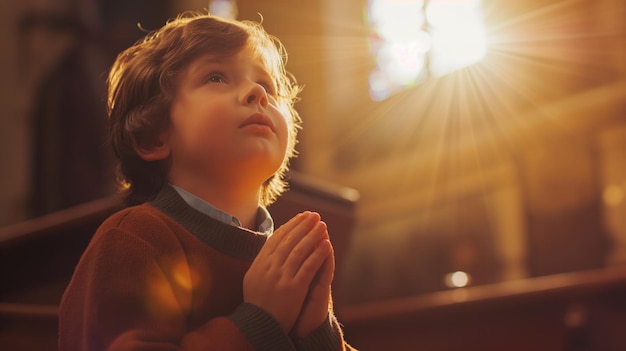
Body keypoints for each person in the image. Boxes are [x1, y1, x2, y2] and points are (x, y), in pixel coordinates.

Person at [59, 12, 355, 351]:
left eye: (268, 86)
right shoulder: (133, 237)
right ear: (155, 135)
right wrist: (261, 319)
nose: (257, 93)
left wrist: (319, 332)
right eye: (216, 77)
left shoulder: (286, 258)